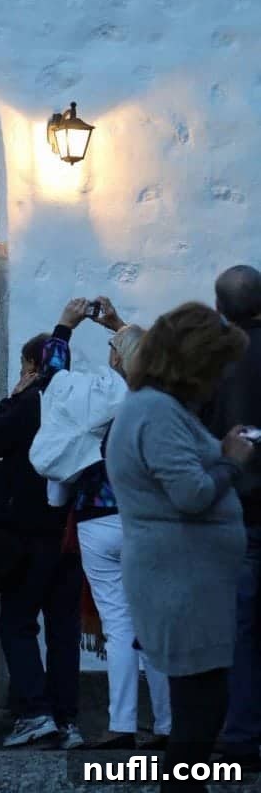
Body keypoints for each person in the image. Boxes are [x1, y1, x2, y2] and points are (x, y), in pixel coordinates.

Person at [106, 303, 254, 791]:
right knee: (199, 713)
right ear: (193, 364)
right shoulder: (156, 411)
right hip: (180, 582)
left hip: (187, 580)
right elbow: (190, 493)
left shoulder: (156, 408)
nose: (219, 380)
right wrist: (232, 461)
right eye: (215, 368)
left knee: (202, 707)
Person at [39, 311, 171, 749]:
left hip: (98, 518)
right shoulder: (159, 398)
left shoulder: (92, 395)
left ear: (116, 362)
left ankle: (122, 723)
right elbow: (150, 350)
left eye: (113, 349)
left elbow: (51, 378)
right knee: (151, 626)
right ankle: (168, 725)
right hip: (144, 520)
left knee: (117, 625)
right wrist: (119, 325)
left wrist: (65, 328)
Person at [0, 298, 88, 751]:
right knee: (63, 630)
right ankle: (67, 717)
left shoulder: (33, 401)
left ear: (29, 365)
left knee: (17, 623)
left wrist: (16, 394)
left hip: (28, 534)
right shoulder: (83, 401)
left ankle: (37, 712)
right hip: (69, 534)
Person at [205, 265, 261, 772]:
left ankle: (241, 736)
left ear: (220, 309)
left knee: (240, 630)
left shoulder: (215, 364)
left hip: (237, 514)